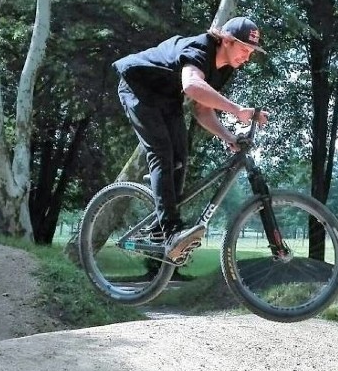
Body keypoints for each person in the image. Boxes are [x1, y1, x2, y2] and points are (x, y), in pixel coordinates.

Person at [113, 16, 269, 261]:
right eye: (244, 49)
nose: (247, 57)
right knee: (162, 153)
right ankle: (172, 231)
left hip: (166, 96)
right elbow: (192, 86)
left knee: (180, 157)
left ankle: (158, 231)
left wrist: (228, 136)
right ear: (226, 41)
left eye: (251, 52)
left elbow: (202, 109)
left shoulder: (223, 68)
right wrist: (237, 110)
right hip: (138, 88)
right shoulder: (200, 48)